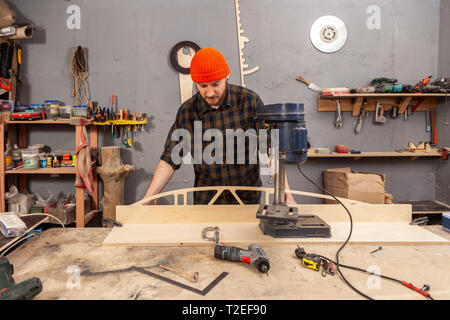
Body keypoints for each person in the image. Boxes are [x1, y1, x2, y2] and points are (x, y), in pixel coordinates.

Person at [141, 47, 296, 205]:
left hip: (247, 200)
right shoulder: (188, 111)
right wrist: (146, 201)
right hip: (207, 202)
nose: (210, 93)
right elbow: (169, 160)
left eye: (215, 84)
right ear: (195, 83)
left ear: (226, 77)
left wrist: (287, 196)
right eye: (203, 86)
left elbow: (270, 152)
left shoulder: (249, 101)